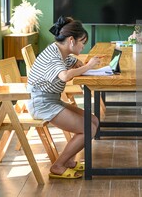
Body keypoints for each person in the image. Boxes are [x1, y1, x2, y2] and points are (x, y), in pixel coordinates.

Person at [26, 16, 100, 179]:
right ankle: (58, 165)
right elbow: (64, 76)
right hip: (42, 103)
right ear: (71, 40)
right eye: (82, 42)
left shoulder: (61, 51)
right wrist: (87, 66)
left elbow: (70, 62)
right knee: (88, 128)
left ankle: (68, 161)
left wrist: (78, 64)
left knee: (93, 120)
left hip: (51, 99)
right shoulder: (53, 55)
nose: (83, 46)